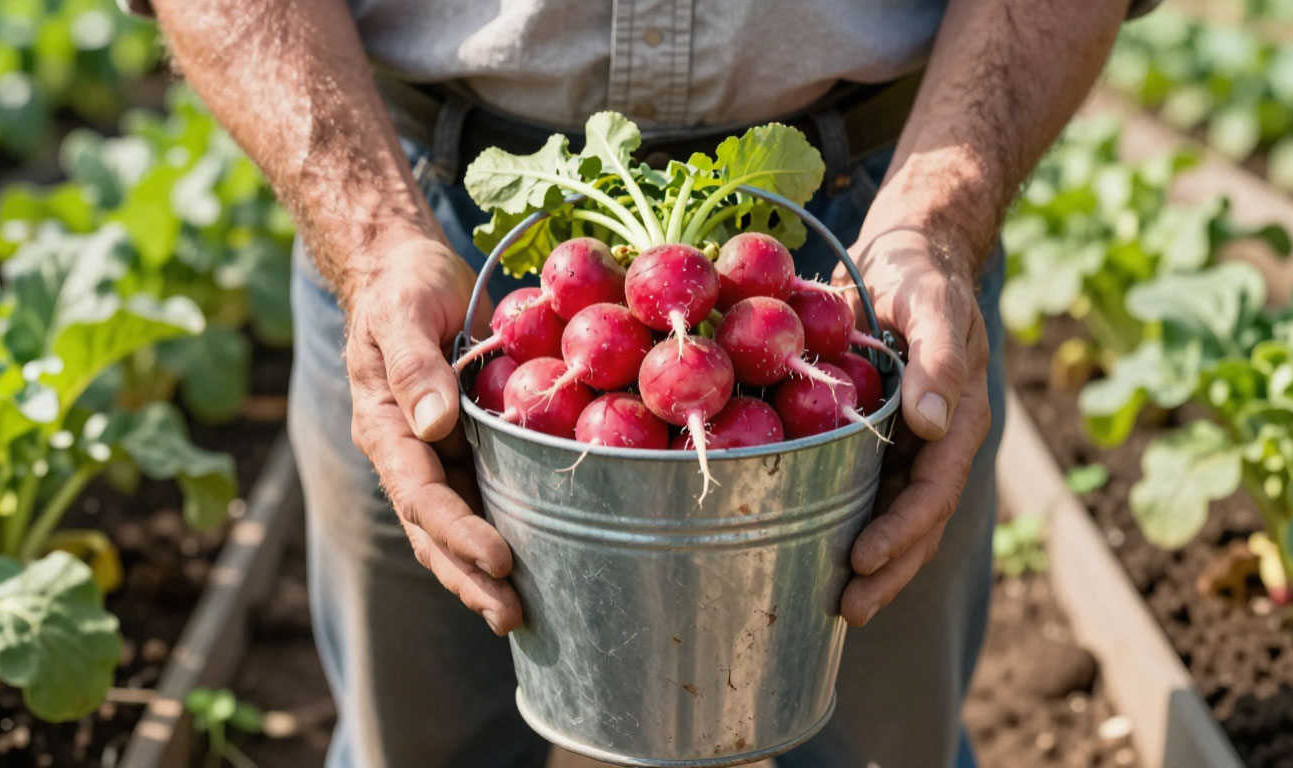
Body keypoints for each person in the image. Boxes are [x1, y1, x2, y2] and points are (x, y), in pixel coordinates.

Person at [133, 1, 1155, 766]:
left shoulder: (798, 325)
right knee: (420, 738)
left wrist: (937, 213)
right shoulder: (538, 328)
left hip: (862, 263)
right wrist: (371, 239)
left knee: (885, 740)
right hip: (419, 232)